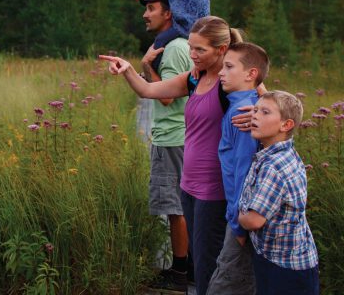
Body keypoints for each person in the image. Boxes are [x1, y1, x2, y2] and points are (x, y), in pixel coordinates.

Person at [100, 16, 240, 295]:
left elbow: (269, 103)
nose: (192, 55)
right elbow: (149, 90)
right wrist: (128, 69)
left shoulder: (231, 83)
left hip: (215, 189)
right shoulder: (194, 78)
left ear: (222, 50)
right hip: (189, 186)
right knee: (199, 262)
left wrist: (256, 113)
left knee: (210, 264)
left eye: (200, 50)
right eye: (191, 47)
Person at [133, 0, 192, 294]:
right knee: (186, 204)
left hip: (172, 137)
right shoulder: (184, 46)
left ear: (169, 14)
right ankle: (192, 268)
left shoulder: (170, 51)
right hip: (185, 136)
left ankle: (179, 273)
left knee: (175, 207)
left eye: (152, 8)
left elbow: (167, 96)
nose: (146, 14)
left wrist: (146, 67)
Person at [238, 91, 319, 295]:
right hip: (284, 258)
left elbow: (255, 221)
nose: (255, 115)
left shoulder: (274, 166)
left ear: (286, 125)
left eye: (265, 112)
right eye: (255, 110)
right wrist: (263, 113)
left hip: (284, 267)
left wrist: (238, 215)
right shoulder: (281, 152)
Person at [207, 42, 270, 294]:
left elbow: (243, 174)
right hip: (239, 213)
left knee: (226, 283)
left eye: (229, 67)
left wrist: (237, 223)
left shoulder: (243, 114)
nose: (221, 73)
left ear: (251, 74)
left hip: (241, 217)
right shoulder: (248, 103)